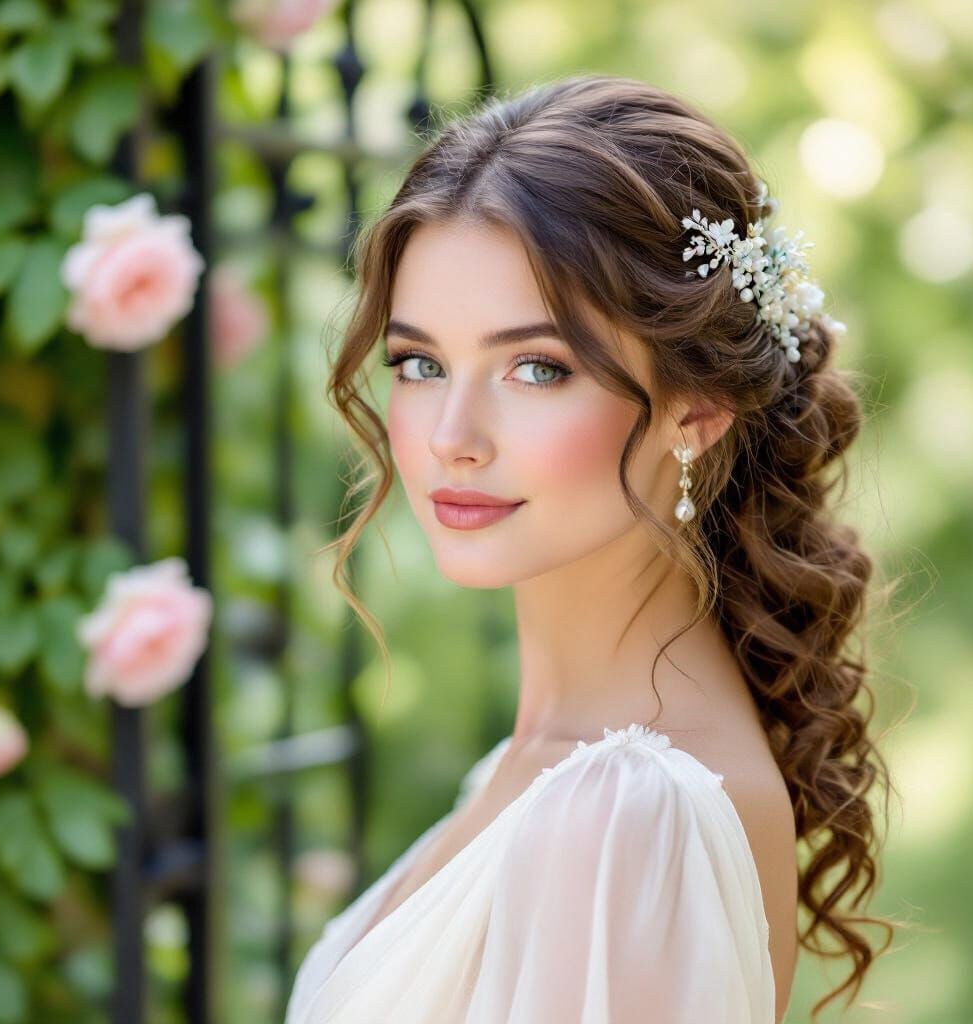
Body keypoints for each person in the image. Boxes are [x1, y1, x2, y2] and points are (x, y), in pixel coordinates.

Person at [285, 73, 895, 1024]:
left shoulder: (625, 815)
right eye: (420, 363)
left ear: (695, 407)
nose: (452, 433)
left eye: (536, 368)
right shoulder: (538, 771)